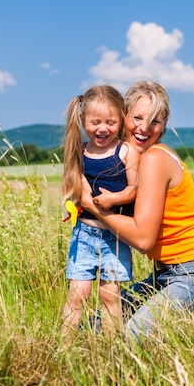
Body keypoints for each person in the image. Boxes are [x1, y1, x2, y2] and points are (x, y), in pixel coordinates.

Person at [80, 79, 194, 342]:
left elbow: (143, 239)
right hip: (166, 274)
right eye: (137, 117)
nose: (143, 128)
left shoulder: (154, 158)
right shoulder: (131, 161)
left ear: (165, 123)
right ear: (123, 116)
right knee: (93, 327)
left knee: (129, 341)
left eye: (154, 122)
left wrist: (95, 209)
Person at [60, 85, 140, 338]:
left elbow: (134, 189)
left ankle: (110, 349)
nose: (102, 128)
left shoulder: (126, 151)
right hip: (84, 233)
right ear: (83, 120)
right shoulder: (80, 151)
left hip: (116, 236)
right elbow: (77, 186)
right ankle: (64, 347)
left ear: (122, 120)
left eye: (110, 122)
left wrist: (113, 198)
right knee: (77, 295)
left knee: (110, 295)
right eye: (95, 122)